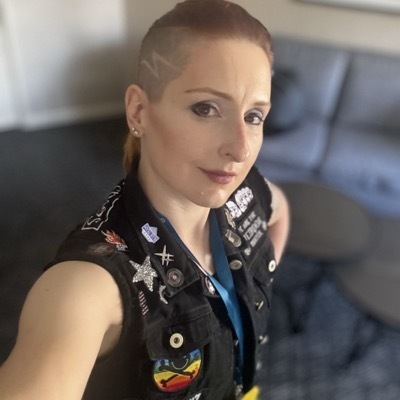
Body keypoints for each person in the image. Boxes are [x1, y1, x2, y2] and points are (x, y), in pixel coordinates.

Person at [0, 0, 289, 399]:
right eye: (206, 108)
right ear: (139, 110)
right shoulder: (88, 285)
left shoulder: (247, 190)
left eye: (253, 116)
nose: (240, 150)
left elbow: (280, 209)